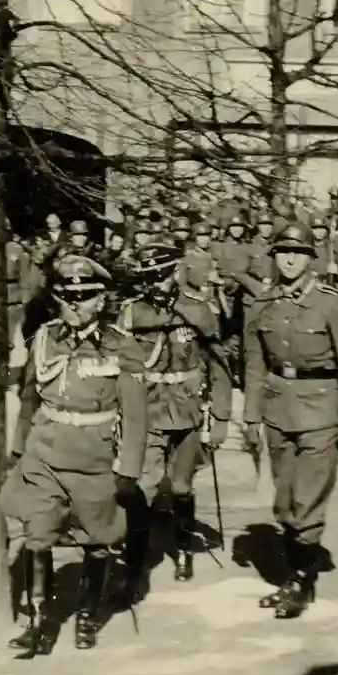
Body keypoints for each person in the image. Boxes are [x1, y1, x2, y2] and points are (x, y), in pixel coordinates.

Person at [0, 255, 150, 656]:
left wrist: (129, 469)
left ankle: (86, 616)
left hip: (95, 457)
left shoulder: (123, 346)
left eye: (84, 297)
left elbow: (135, 414)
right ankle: (37, 622)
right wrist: (18, 448)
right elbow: (30, 397)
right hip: (45, 452)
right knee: (38, 533)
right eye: (67, 296)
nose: (75, 304)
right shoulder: (45, 338)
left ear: (101, 300)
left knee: (96, 540)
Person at [243, 222, 338, 619]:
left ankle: (299, 581)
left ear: (312, 259)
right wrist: (250, 415)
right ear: (274, 256)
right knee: (284, 500)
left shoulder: (333, 303)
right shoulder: (263, 303)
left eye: (298, 252)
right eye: (283, 252)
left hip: (321, 408)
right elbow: (255, 364)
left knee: (307, 500)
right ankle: (294, 577)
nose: (290, 259)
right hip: (278, 407)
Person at [116, 242, 231, 585]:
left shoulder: (198, 310)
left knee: (181, 485)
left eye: (161, 276)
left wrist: (221, 417)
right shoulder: (132, 312)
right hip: (147, 410)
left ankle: (182, 550)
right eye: (148, 278)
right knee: (143, 485)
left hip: (186, 408)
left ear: (175, 274)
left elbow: (219, 365)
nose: (155, 284)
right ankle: (134, 563)